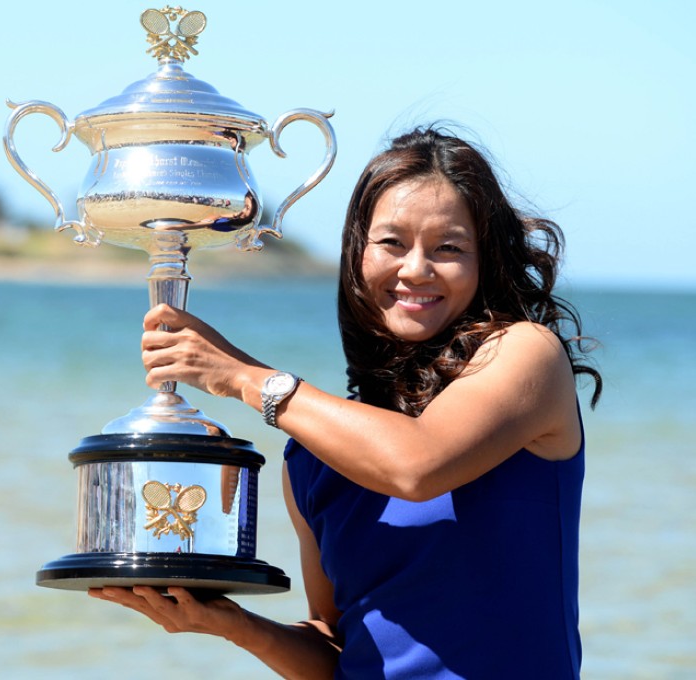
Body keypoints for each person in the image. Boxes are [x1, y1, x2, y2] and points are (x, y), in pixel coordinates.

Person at [89, 126, 602, 679]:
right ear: (357, 255)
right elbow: (338, 648)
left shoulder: (528, 355)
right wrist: (231, 623)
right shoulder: (310, 458)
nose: (415, 269)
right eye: (392, 243)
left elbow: (416, 464)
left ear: (485, 261)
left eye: (449, 248)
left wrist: (242, 376)